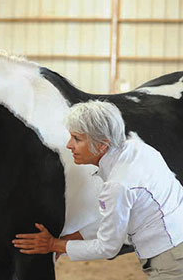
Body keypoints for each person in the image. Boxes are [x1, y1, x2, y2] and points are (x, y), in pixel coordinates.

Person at [12, 100, 183, 279]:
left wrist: (54, 245)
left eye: (77, 139)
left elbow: (108, 247)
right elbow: (117, 218)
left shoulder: (118, 184)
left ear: (102, 145)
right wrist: (68, 239)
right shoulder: (137, 148)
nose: (69, 145)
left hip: (170, 260)